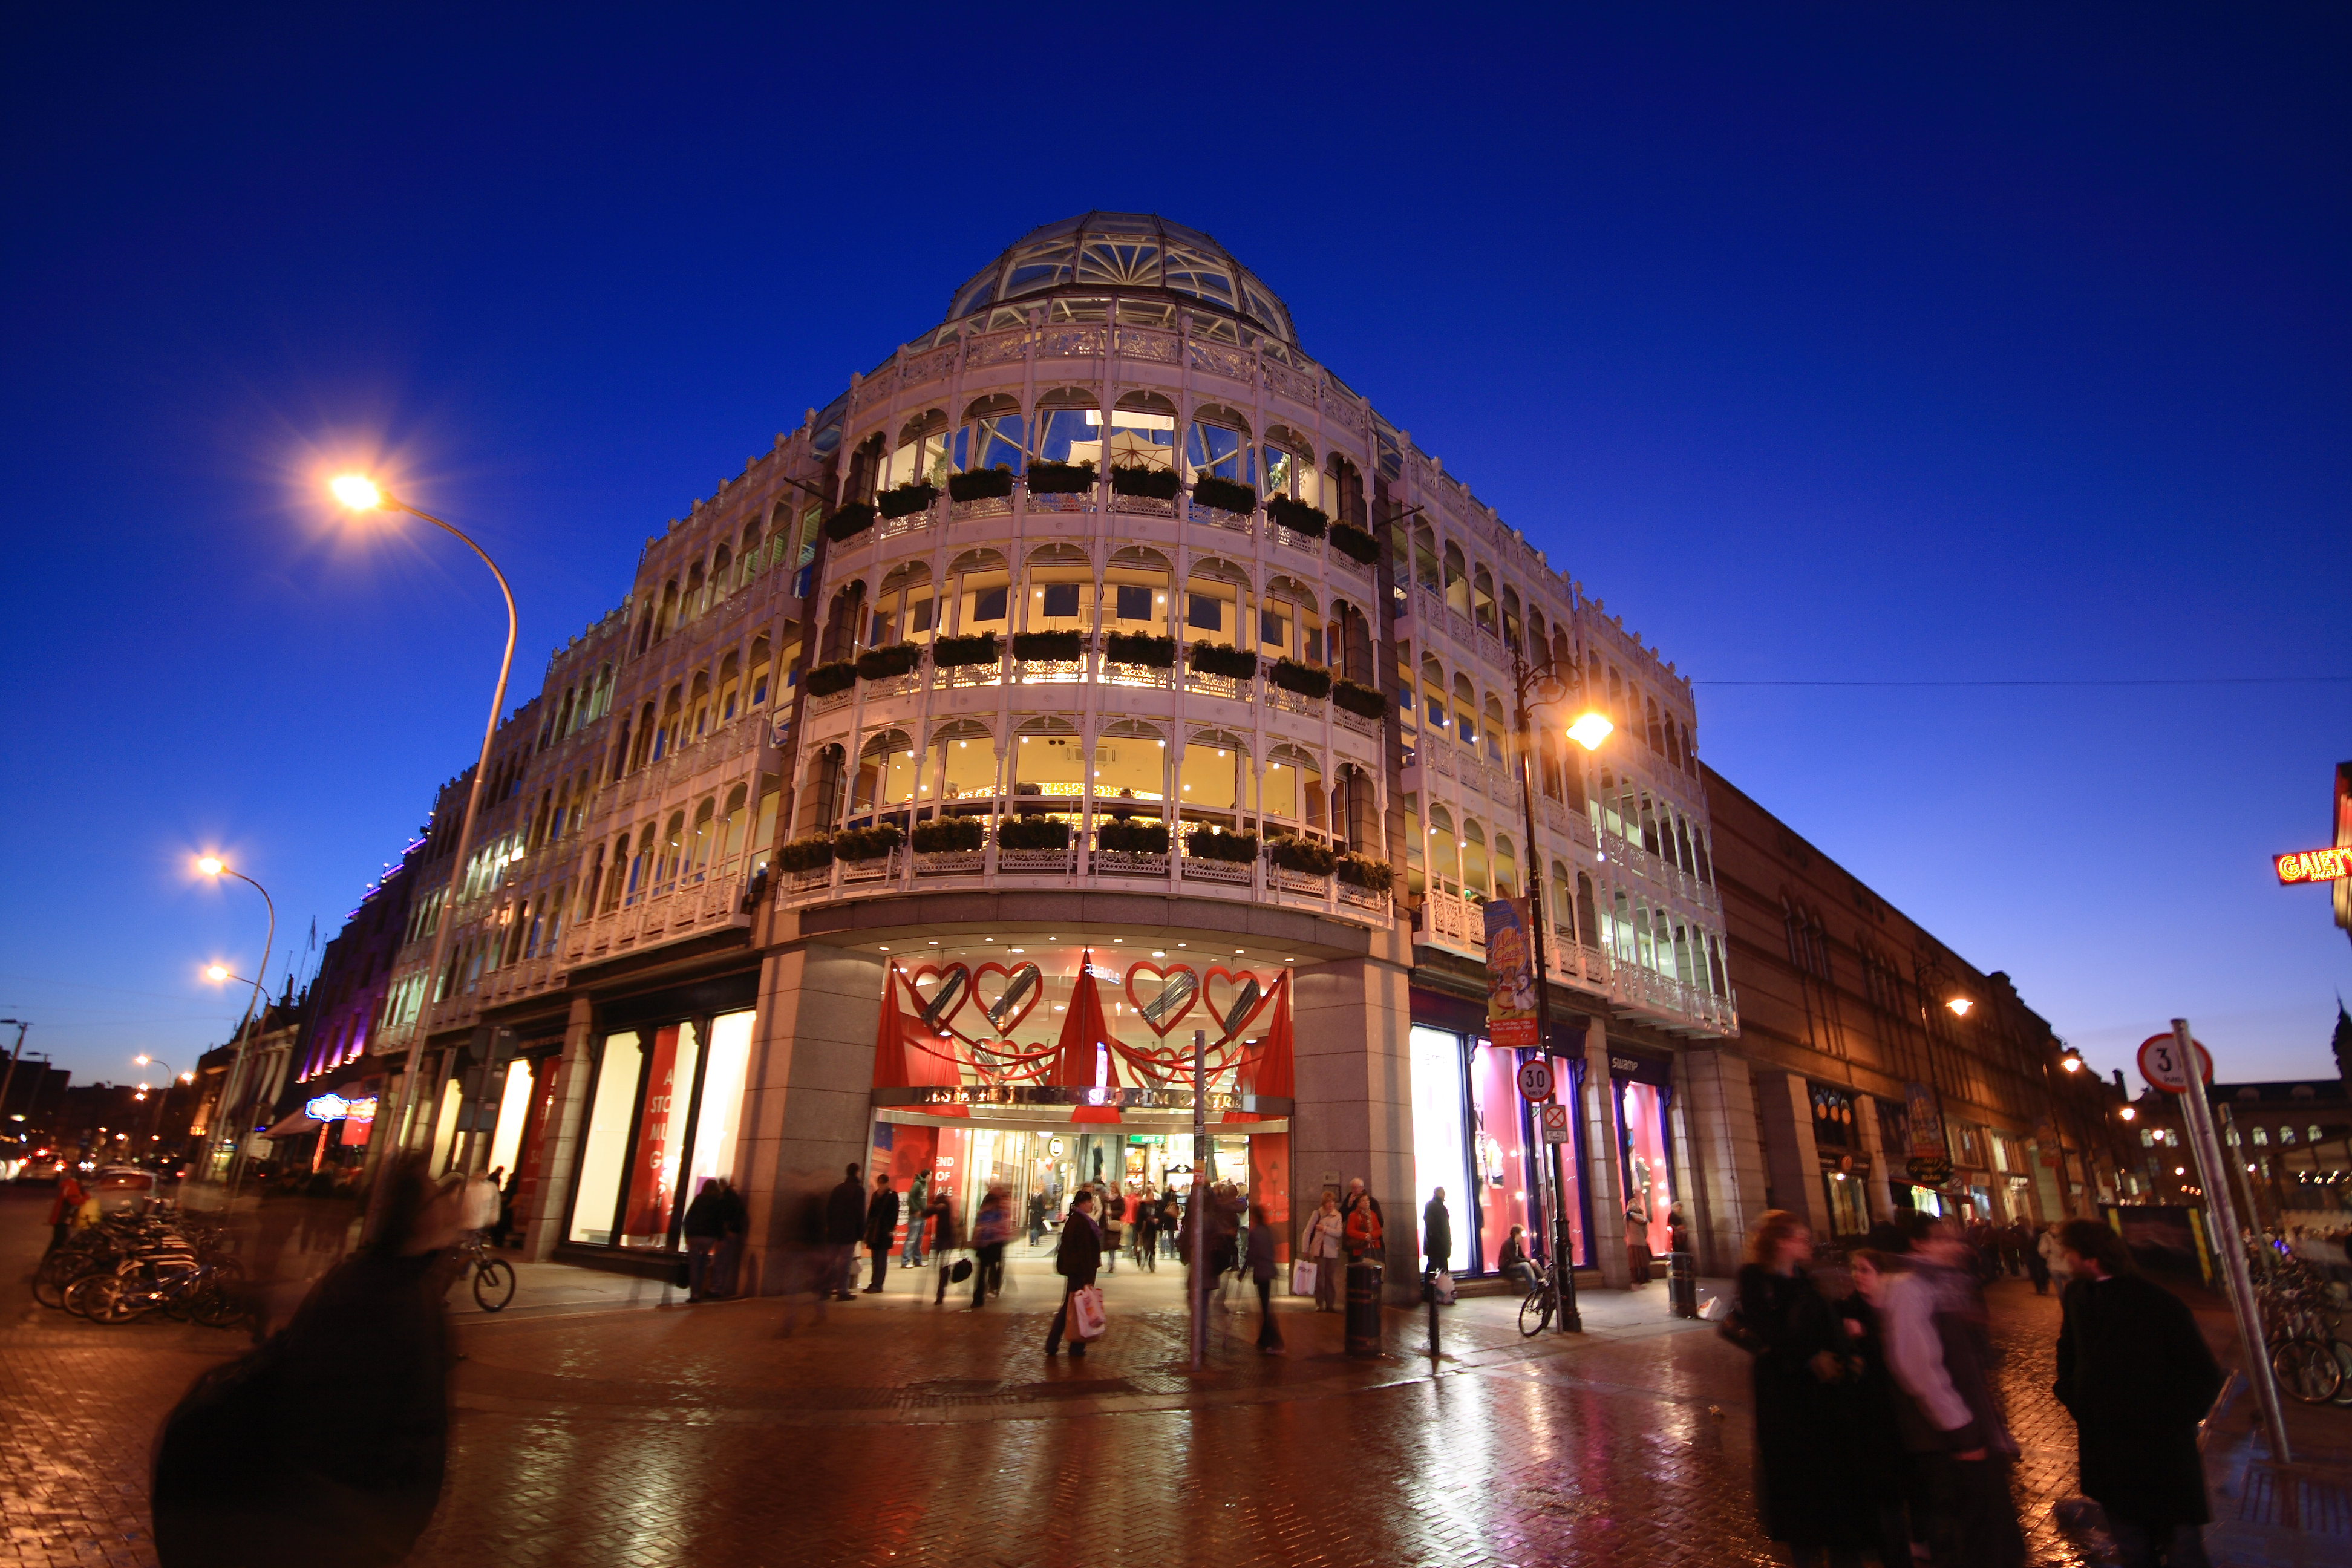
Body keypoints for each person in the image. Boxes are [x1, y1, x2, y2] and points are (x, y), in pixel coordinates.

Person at [152, 1154, 461, 1568]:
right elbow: (341, 1401)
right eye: (435, 1197)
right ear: (416, 1218)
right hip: (336, 1512)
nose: (449, 1205)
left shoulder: (395, 1284)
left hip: (347, 1507)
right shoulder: (389, 1294)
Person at [2053, 1218, 2226, 1568]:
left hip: (2161, 1451)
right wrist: (2077, 1397)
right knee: (2131, 1545)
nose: (2064, 1260)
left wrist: (2168, 1420)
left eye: (2068, 1252)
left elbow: (2203, 1373)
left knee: (2182, 1546)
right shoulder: (2077, 1296)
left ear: (2089, 1257)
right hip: (2109, 1450)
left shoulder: (2158, 1303)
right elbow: (2069, 1353)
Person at [1881, 1214, 2025, 1568]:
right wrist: (1960, 1427)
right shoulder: (1911, 1287)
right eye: (1943, 1239)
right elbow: (1917, 1365)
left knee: (1995, 1534)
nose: (1955, 1245)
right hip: (1954, 1437)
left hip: (1977, 1427)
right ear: (1920, 1244)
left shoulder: (1952, 1284)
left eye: (1955, 1238)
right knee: (1971, 1534)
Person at [1730, 1209, 1869, 1567]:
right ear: (1780, 1242)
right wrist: (1808, 1358)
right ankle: (1806, 1549)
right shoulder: (1757, 1279)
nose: (1808, 1243)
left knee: (1828, 1477)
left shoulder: (1803, 1278)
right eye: (1800, 1237)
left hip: (1819, 1397)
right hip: (1784, 1394)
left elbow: (1816, 1323)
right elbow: (1768, 1330)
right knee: (1795, 1480)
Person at [1844, 1249, 1933, 1568]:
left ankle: (1921, 1539)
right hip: (1874, 1417)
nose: (1858, 1275)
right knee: (1887, 1492)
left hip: (1909, 1413)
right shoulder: (1849, 1312)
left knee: (1918, 1484)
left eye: (1866, 1270)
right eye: (1855, 1269)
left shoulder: (1899, 1309)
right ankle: (1894, 1552)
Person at [1044, 1189, 1102, 1357]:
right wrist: (1086, 1275)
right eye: (1090, 1202)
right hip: (1080, 1272)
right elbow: (1082, 1251)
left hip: (1078, 1271)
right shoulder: (1080, 1222)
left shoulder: (1079, 1220)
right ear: (1083, 1203)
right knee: (1075, 1307)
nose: (1092, 1205)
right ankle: (1070, 1345)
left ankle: (1059, 1344)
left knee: (1072, 1306)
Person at [1246, 1201, 1284, 1353]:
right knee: (1266, 1305)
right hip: (1270, 1271)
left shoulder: (1255, 1233)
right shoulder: (1268, 1231)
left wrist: (1244, 1270)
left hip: (1261, 1272)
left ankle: (1274, 1342)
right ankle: (1263, 1339)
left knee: (1266, 1308)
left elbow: (1252, 1254)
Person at [823, 1162, 865, 1302]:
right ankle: (842, 1291)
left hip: (834, 1232)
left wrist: (829, 1226)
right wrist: (861, 1233)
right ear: (857, 1172)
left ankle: (826, 1289)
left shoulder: (838, 1189)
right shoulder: (858, 1191)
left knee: (831, 1261)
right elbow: (860, 1213)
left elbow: (829, 1210)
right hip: (849, 1232)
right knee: (845, 1263)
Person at [681, 1178, 727, 1302]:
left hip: (694, 1236)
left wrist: (687, 1236)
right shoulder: (718, 1202)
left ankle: (694, 1294)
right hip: (708, 1238)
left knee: (694, 1265)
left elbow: (688, 1217)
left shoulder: (699, 1199)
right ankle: (700, 1291)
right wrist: (720, 1238)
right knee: (703, 1265)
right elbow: (719, 1222)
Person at [1301, 1192, 1345, 1311]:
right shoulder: (1317, 1214)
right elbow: (1308, 1231)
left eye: (1332, 1202)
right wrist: (1305, 1249)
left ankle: (1330, 1304)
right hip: (1319, 1250)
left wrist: (1325, 1229)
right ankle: (1319, 1304)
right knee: (1320, 1278)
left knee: (1330, 1278)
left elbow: (1339, 1233)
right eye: (1328, 1202)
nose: (1330, 1204)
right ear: (1324, 1203)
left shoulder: (1338, 1216)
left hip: (1332, 1251)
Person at [968, 1186, 1010, 1309]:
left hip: (988, 1244)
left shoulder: (989, 1213)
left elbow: (980, 1227)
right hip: (990, 1245)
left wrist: (975, 1240)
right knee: (987, 1269)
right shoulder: (997, 1213)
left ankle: (981, 1295)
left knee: (985, 1270)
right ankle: (985, 1293)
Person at [861, 1174, 900, 1293]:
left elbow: (894, 1214)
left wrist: (891, 1229)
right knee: (875, 1258)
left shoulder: (892, 1195)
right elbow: (871, 1213)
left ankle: (878, 1284)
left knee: (881, 1259)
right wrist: (867, 1228)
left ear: (887, 1184)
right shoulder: (875, 1195)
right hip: (875, 1231)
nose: (880, 1186)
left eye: (882, 1184)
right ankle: (874, 1282)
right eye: (879, 1184)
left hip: (884, 1231)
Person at [927, 1187, 962, 1304]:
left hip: (945, 1239)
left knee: (943, 1266)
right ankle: (941, 1290)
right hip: (944, 1238)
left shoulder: (944, 1205)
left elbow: (929, 1212)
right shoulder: (946, 1204)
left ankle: (940, 1293)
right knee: (943, 1265)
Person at [45, 1172, 86, 1253]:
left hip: (62, 1217)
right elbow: (73, 1201)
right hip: (61, 1218)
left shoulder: (72, 1185)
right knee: (60, 1239)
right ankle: (50, 1259)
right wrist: (85, 1198)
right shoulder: (72, 1186)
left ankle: (52, 1258)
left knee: (62, 1238)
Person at [1422, 1187, 1452, 1289]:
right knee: (1437, 1267)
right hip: (1437, 1244)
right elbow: (1434, 1227)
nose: (1445, 1195)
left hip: (1438, 1243)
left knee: (1436, 1267)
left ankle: (1437, 1291)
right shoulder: (1435, 1206)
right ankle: (1437, 1291)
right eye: (1443, 1193)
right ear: (1438, 1193)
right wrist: (1441, 1240)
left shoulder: (1436, 1206)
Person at [1344, 1187, 1384, 1263]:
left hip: (1374, 1246)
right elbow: (1350, 1231)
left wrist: (1371, 1235)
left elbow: (1379, 1230)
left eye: (1367, 1200)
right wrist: (1365, 1236)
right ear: (1358, 1203)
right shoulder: (1354, 1215)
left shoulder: (1373, 1214)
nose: (1366, 1202)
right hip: (1360, 1247)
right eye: (1363, 1201)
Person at [1130, 1184, 1158, 1270]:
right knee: (1144, 1246)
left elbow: (1159, 1214)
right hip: (1144, 1228)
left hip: (1153, 1228)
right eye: (1151, 1194)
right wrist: (1139, 1228)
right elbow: (1139, 1217)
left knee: (1151, 1247)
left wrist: (1157, 1220)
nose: (1152, 1197)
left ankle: (1151, 1262)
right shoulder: (1142, 1204)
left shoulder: (1156, 1204)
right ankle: (1143, 1261)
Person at [1498, 1224, 1534, 1290]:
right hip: (1507, 1268)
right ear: (1516, 1234)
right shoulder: (1509, 1243)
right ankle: (1534, 1287)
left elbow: (1522, 1257)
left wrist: (1531, 1261)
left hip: (1514, 1266)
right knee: (1526, 1265)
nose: (1522, 1237)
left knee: (1533, 1264)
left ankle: (1542, 1282)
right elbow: (1514, 1259)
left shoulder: (1517, 1244)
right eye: (1521, 1234)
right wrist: (1529, 1261)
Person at [1099, 1185, 1123, 1275]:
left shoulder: (1120, 1199)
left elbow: (1122, 1211)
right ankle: (1110, 1263)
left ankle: (1111, 1264)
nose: (1112, 1190)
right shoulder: (1106, 1199)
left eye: (1114, 1188)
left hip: (1115, 1224)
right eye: (1111, 1188)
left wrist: (1112, 1213)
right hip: (1106, 1224)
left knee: (1113, 1246)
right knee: (1108, 1245)